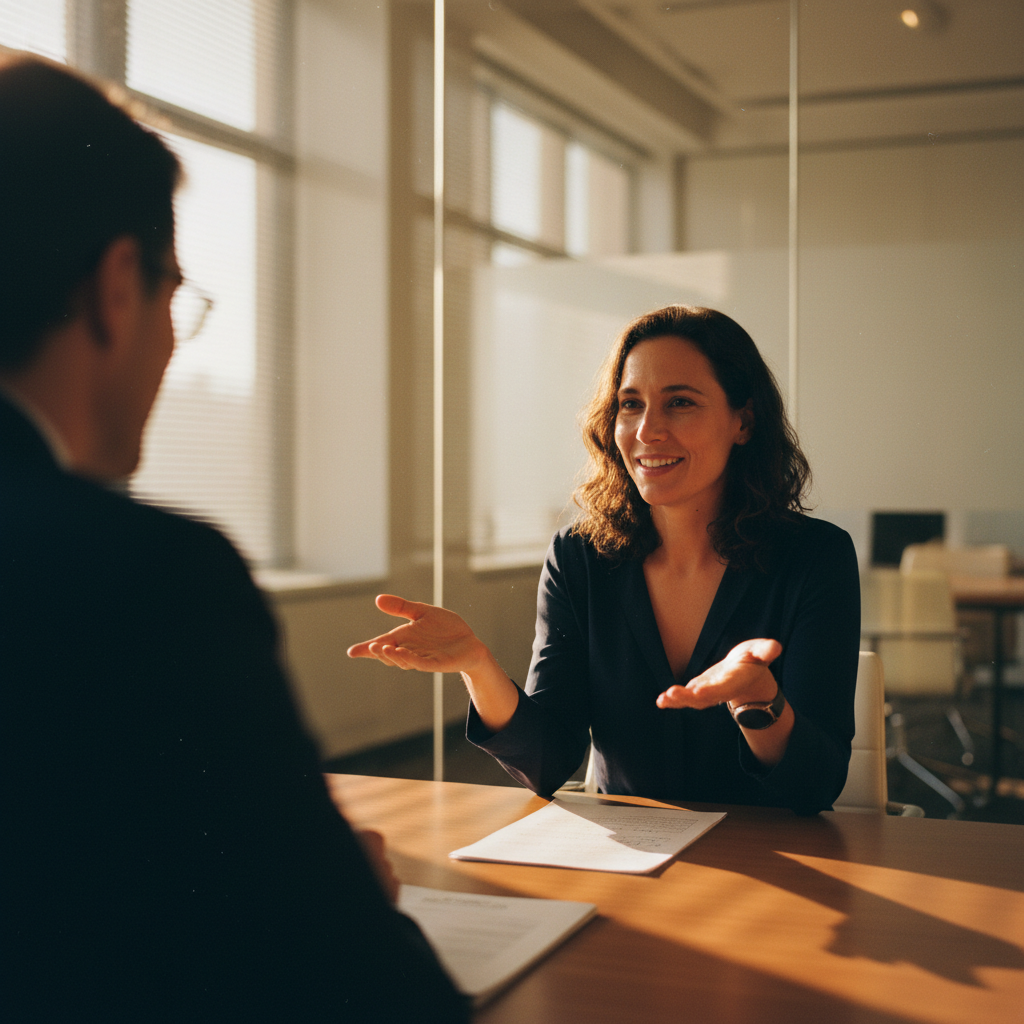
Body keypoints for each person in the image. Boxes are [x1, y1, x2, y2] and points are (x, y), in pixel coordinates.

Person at [0, 56, 468, 1022]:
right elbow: (376, 996)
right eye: (175, 290)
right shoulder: (141, 580)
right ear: (117, 285)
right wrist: (350, 903)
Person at [349, 306, 860, 815]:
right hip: (630, 866)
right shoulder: (580, 559)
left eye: (680, 402)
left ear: (743, 421)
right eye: (630, 405)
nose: (647, 431)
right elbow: (548, 760)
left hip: (776, 862)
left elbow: (814, 788)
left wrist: (758, 701)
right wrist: (478, 667)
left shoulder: (816, 558)